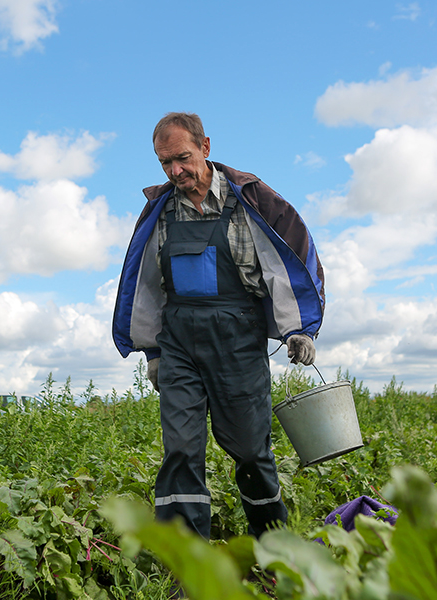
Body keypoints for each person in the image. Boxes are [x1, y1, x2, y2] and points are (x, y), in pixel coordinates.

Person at [112, 112, 325, 539]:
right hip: (180, 345)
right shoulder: (160, 213)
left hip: (237, 340)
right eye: (165, 163)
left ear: (206, 147)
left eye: (182, 158)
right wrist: (153, 352)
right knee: (181, 450)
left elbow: (283, 265)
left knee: (250, 450)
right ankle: (187, 557)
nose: (175, 171)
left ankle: (272, 544)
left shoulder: (251, 202)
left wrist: (297, 329)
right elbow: (149, 286)